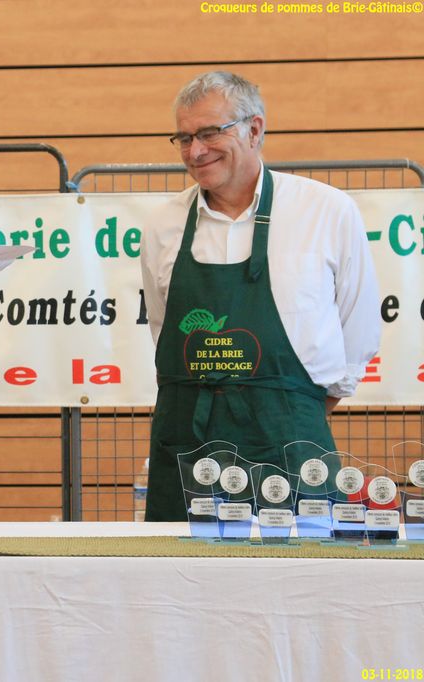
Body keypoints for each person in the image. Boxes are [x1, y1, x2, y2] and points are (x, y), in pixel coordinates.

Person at [139, 71, 381, 521]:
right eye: (184, 138)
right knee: (180, 566)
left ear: (254, 129)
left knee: (299, 564)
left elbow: (359, 328)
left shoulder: (327, 211)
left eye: (210, 132)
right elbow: (162, 328)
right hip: (188, 440)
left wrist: (293, 409)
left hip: (289, 440)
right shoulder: (162, 225)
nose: (195, 151)